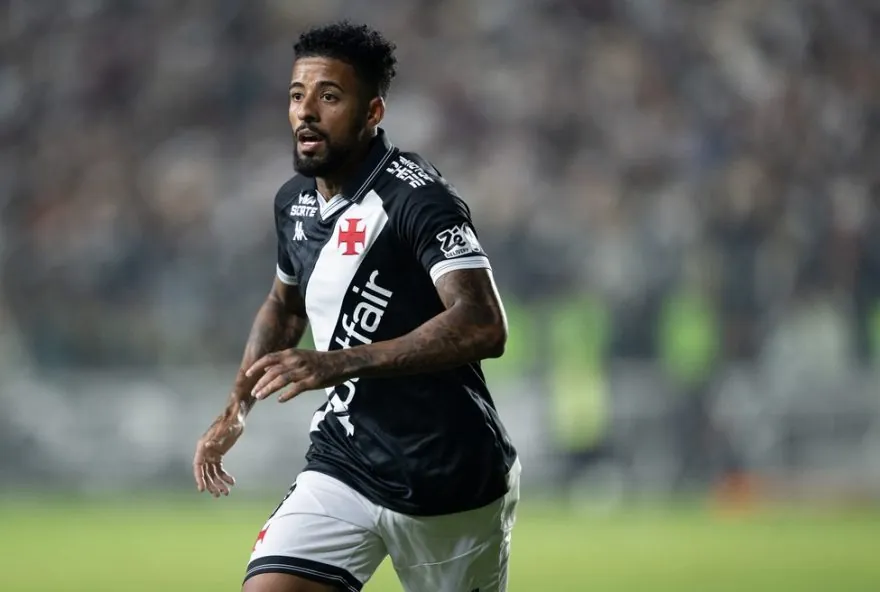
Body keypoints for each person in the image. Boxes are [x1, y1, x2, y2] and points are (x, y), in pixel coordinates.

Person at [192, 21, 520, 592]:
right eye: (297, 95)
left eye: (329, 96)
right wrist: (237, 405)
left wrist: (337, 363)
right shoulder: (293, 202)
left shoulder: (418, 199)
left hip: (448, 477)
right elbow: (284, 306)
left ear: (372, 112)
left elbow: (485, 324)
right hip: (344, 460)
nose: (306, 112)